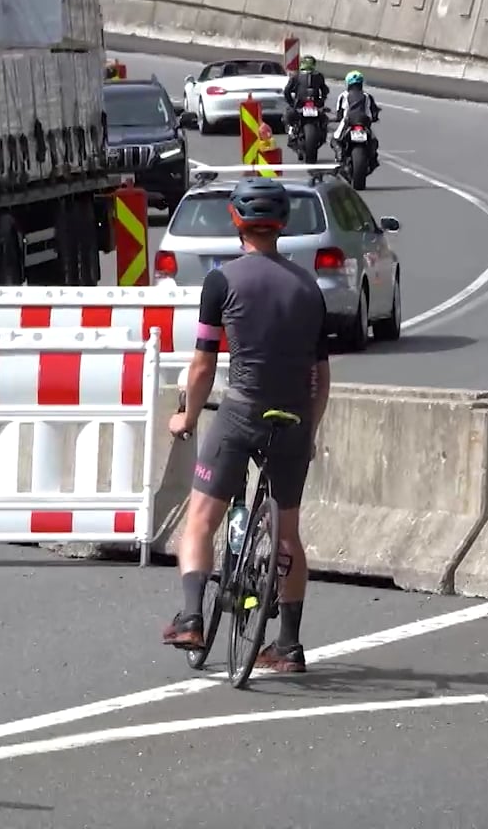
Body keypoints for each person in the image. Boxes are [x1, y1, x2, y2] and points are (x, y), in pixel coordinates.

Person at [162, 177, 331, 674]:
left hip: (241, 412)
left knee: (199, 521)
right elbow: (321, 375)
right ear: (281, 225)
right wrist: (311, 431)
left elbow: (202, 366)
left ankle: (192, 616)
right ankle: (289, 645)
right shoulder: (309, 288)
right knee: (289, 537)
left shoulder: (222, 282)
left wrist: (187, 416)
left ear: (235, 221)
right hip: (295, 415)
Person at [331, 70, 381, 165]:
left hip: (348, 120)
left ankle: (340, 153)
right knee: (373, 140)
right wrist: (374, 118)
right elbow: (373, 111)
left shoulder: (343, 96)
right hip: (364, 121)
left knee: (335, 139)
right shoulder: (367, 96)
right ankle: (372, 158)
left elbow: (339, 114)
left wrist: (337, 118)